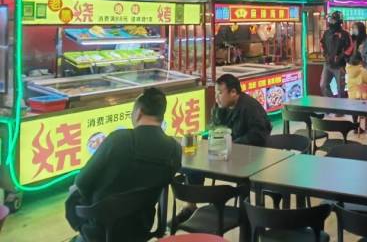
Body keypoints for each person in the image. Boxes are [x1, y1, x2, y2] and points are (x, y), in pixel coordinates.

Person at [67, 88, 181, 242]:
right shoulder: (174, 149)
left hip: (100, 232)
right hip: (139, 230)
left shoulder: (118, 140)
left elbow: (81, 181)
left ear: (138, 113)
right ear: (161, 116)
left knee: (74, 191)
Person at [174, 74, 272, 224]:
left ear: (233, 92)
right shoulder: (220, 106)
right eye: (215, 93)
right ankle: (190, 205)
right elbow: (215, 127)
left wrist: (233, 144)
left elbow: (259, 135)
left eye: (220, 93)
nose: (217, 97)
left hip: (249, 159)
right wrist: (218, 116)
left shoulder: (250, 108)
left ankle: (245, 216)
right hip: (224, 154)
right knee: (195, 164)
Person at [320, 11, 353, 97]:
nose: (330, 21)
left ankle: (340, 105)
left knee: (340, 90)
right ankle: (331, 102)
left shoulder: (345, 34)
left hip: (340, 66)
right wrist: (325, 55)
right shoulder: (326, 33)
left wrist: (341, 57)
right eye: (330, 19)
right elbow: (322, 45)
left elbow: (350, 48)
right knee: (323, 85)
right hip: (328, 64)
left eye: (332, 20)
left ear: (338, 21)